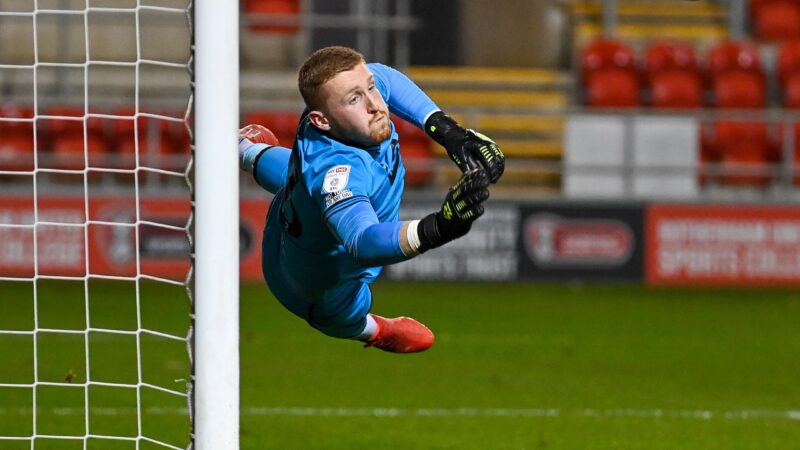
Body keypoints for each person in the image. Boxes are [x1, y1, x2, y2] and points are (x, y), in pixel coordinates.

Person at [238, 46, 504, 353]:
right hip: (315, 291)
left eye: (370, 89)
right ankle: (376, 331)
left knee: (296, 179)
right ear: (321, 120)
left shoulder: (330, 108)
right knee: (347, 316)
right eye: (355, 99)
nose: (375, 105)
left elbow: (385, 77)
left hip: (296, 211)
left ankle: (244, 149)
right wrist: (438, 227)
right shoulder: (339, 173)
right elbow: (362, 240)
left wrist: (448, 131)